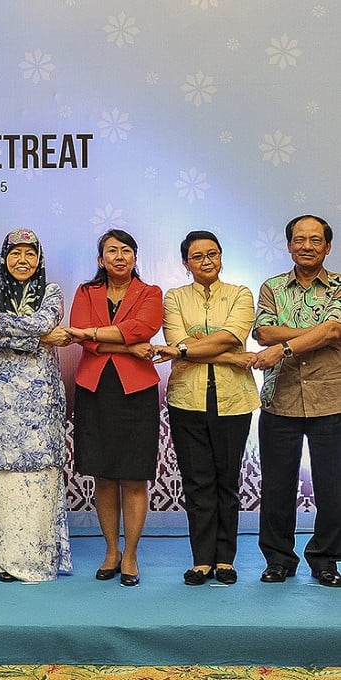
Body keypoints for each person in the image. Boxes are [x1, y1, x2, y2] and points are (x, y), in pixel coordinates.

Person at [152, 231, 260, 586]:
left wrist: (191, 348)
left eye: (212, 254)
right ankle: (201, 560)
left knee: (226, 481)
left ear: (222, 256)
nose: (206, 261)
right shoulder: (175, 297)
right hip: (187, 398)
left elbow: (232, 333)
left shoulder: (241, 294)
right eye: (197, 257)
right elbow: (176, 342)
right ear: (185, 263)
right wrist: (232, 357)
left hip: (234, 400)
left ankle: (225, 560)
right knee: (197, 482)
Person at [0, 228, 73, 583]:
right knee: (4, 474)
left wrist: (2, 321)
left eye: (30, 254)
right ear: (4, 257)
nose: (23, 261)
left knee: (39, 473)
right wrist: (38, 337)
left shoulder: (53, 292)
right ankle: (1, 560)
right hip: (0, 398)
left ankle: (35, 559)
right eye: (16, 254)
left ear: (39, 259)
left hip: (42, 398)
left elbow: (43, 321)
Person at [66, 229, 162, 587]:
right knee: (103, 475)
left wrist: (96, 332)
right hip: (94, 388)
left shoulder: (151, 293)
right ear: (100, 259)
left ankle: (132, 555)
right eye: (111, 251)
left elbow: (143, 328)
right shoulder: (86, 291)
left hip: (136, 391)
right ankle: (111, 550)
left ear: (135, 257)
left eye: (126, 251)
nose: (119, 256)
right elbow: (80, 337)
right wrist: (122, 344)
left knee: (134, 475)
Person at [249, 215, 341, 587]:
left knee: (333, 487)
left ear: (328, 247)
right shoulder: (272, 286)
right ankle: (278, 559)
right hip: (280, 399)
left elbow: (336, 328)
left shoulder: (339, 286)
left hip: (331, 398)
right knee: (276, 487)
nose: (307, 245)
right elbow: (263, 331)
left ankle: (325, 559)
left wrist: (286, 344)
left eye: (315, 240)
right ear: (288, 245)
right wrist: (321, 334)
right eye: (299, 239)